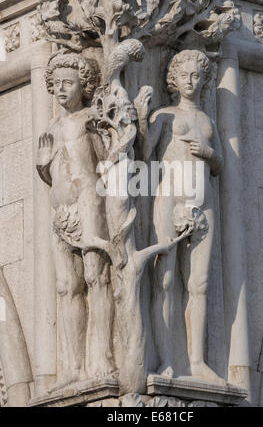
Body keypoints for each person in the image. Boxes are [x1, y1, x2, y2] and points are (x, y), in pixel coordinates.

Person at [135, 50, 223, 381]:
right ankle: (166, 360)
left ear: (204, 80)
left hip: (204, 203)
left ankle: (197, 361)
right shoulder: (165, 115)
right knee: (166, 280)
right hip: (169, 200)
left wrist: (209, 152)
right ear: (173, 79)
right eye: (184, 75)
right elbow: (144, 154)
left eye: (196, 76)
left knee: (198, 282)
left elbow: (220, 167)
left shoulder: (207, 121)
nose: (190, 81)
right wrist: (143, 120)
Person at [37, 53, 115, 388]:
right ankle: (72, 365)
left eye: (68, 83)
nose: (60, 90)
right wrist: (42, 163)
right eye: (55, 84)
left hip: (89, 205)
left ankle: (104, 359)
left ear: (83, 86)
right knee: (67, 285)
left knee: (97, 278)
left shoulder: (89, 119)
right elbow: (50, 172)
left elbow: (109, 161)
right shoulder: (52, 127)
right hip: (61, 213)